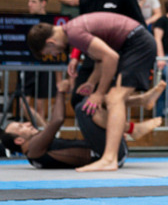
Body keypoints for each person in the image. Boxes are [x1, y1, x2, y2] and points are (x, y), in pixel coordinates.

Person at [27, 12, 158, 171]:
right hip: (134, 43)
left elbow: (111, 57)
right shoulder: (72, 29)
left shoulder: (74, 34)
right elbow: (100, 59)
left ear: (51, 42)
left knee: (113, 99)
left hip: (137, 44)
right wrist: (92, 82)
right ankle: (140, 103)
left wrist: (98, 93)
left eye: (50, 52)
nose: (55, 55)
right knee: (111, 98)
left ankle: (110, 159)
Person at [1, 78, 163, 169]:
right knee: (85, 108)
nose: (27, 124)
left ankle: (141, 100)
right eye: (21, 127)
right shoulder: (34, 148)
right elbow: (57, 120)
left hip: (107, 150)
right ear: (19, 141)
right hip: (110, 155)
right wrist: (60, 91)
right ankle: (133, 128)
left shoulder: (36, 153)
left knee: (93, 102)